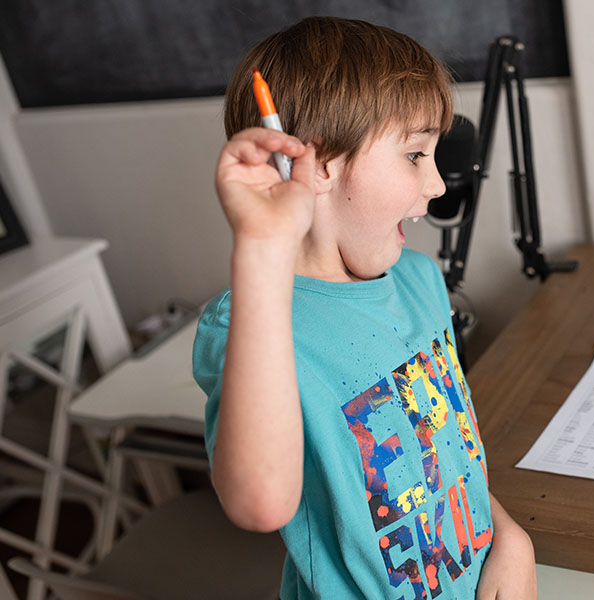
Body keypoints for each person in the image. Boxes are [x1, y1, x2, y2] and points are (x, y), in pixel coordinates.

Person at [192, 16, 536, 600]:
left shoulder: (421, 281)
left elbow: (449, 455)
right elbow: (260, 502)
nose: (436, 185)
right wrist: (261, 250)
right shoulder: (255, 323)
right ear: (320, 165)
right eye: (414, 156)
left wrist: (509, 539)